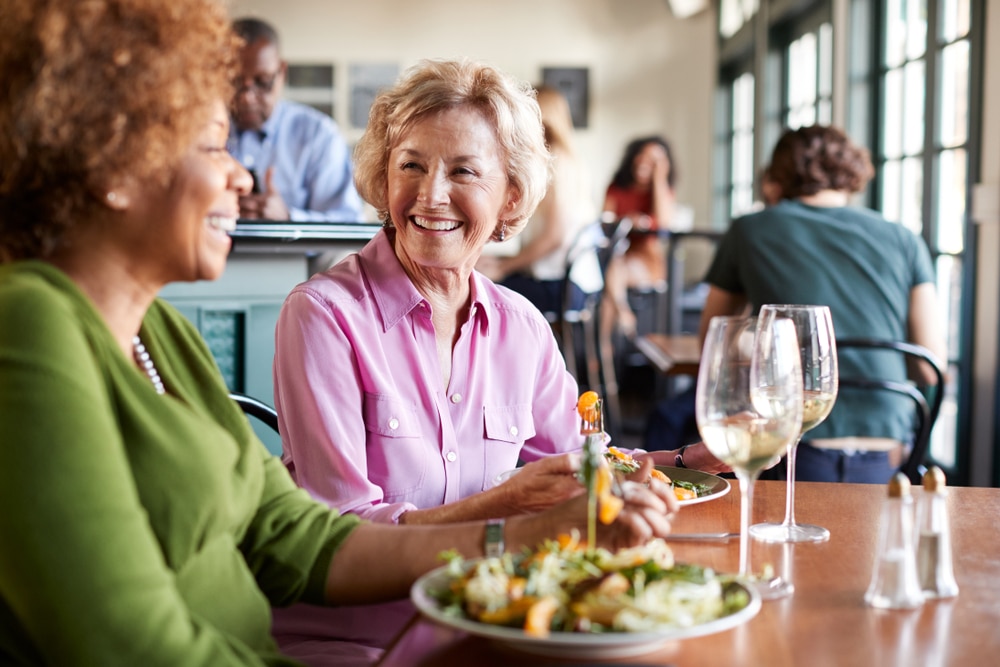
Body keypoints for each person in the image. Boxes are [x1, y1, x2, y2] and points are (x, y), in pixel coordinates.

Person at [0, 5, 677, 665]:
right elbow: (129, 644)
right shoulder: (28, 326)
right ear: (116, 167)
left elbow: (292, 535)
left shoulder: (158, 330)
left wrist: (529, 532)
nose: (240, 173)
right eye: (212, 144)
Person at [271, 59, 725, 664]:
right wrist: (505, 509)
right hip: (358, 643)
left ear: (510, 193)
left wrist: (691, 459)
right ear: (384, 176)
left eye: (463, 171)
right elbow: (340, 538)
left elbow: (584, 466)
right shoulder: (323, 316)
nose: (432, 195)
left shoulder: (521, 326)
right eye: (411, 165)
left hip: (490, 624)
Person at [699, 124, 947, 484]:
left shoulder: (750, 229)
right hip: (886, 443)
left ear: (778, 174)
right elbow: (930, 364)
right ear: (851, 171)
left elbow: (712, 338)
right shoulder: (904, 238)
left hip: (789, 442)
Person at [475, 85, 602, 315]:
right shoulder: (564, 159)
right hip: (564, 281)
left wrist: (504, 266)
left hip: (563, 287)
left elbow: (555, 236)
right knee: (481, 272)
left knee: (476, 288)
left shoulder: (558, 162)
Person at [228, 17, 363, 222]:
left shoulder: (319, 136)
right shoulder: (196, 132)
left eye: (263, 82)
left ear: (282, 72)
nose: (247, 96)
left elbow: (347, 222)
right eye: (235, 82)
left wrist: (289, 218)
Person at [602, 135, 692, 337]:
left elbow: (664, 222)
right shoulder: (617, 186)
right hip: (617, 257)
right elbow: (605, 221)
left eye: (655, 160)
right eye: (642, 155)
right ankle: (621, 316)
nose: (644, 162)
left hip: (647, 260)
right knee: (613, 272)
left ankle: (602, 356)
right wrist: (627, 220)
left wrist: (659, 179)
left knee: (612, 282)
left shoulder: (663, 191)